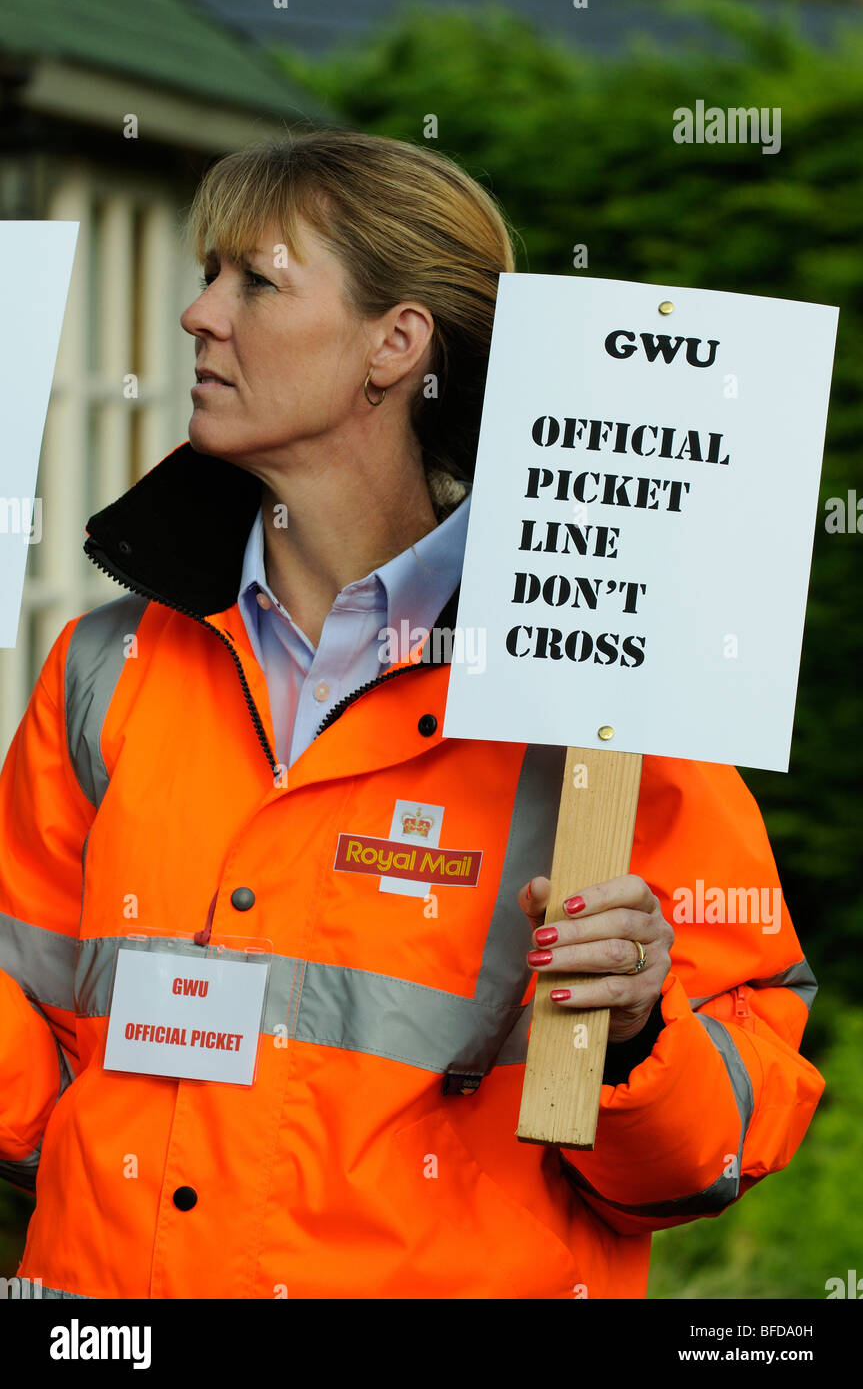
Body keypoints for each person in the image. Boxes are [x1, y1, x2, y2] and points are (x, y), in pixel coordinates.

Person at [0, 130, 824, 1300]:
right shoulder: (106, 665)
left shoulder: (594, 703)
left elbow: (708, 1154)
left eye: (255, 280)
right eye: (205, 275)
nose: (196, 315)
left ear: (395, 344)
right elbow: (34, 1092)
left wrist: (637, 1034)